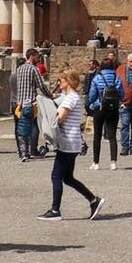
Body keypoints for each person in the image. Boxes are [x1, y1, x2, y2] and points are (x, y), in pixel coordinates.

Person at [38, 70, 102, 221]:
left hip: (68, 141)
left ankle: (55, 210)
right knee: (67, 178)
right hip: (71, 142)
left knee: (56, 175)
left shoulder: (70, 99)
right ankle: (94, 200)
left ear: (68, 81)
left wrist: (48, 113)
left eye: (60, 80)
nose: (58, 83)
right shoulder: (69, 97)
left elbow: (59, 119)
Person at [86, 59, 120, 170]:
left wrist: (93, 103)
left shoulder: (97, 77)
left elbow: (91, 95)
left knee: (97, 135)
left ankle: (96, 163)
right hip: (113, 108)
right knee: (112, 135)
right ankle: (113, 162)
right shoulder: (116, 77)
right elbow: (122, 93)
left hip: (100, 108)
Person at [12, 52, 47, 161]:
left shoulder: (19, 69)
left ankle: (23, 152)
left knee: (22, 128)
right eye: (37, 56)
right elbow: (41, 85)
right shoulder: (33, 69)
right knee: (34, 126)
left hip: (20, 104)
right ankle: (32, 150)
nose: (38, 58)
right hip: (31, 103)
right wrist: (50, 95)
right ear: (32, 56)